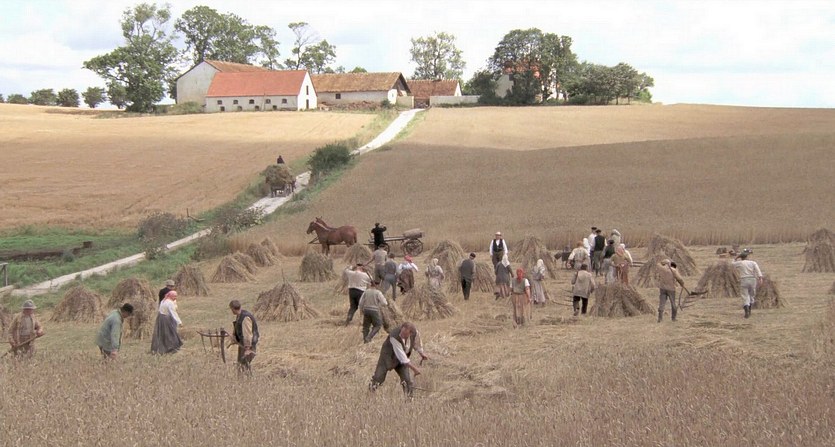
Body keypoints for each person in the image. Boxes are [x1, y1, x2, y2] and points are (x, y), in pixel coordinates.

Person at [369, 322, 430, 398]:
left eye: (404, 334)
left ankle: (409, 399)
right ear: (401, 328)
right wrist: (415, 369)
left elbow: (416, 343)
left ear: (410, 334)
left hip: (402, 357)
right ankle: (370, 394)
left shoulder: (415, 332)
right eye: (402, 332)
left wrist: (421, 353)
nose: (401, 335)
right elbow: (402, 358)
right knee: (379, 377)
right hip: (387, 355)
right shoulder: (394, 336)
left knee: (407, 380)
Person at [226, 300, 260, 372]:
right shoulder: (239, 316)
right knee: (241, 366)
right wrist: (234, 338)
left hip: (248, 346)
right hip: (243, 345)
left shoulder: (245, 318)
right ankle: (243, 378)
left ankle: (247, 379)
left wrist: (248, 348)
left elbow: (247, 334)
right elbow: (238, 329)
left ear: (232, 308)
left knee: (243, 366)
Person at [732, 250, 763, 319]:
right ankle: (750, 310)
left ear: (741, 257)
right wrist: (760, 278)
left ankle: (746, 311)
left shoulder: (740, 263)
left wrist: (736, 257)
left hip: (744, 279)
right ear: (747, 257)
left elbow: (732, 264)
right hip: (752, 279)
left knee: (745, 295)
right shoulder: (753, 262)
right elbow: (758, 270)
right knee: (752, 295)